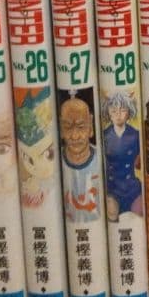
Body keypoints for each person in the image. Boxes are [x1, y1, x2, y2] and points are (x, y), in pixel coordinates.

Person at [60, 94, 101, 223]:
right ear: (61, 129)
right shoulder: (54, 163)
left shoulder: (101, 160)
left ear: (91, 127)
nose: (75, 136)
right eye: (68, 127)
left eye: (81, 127)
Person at [102, 90, 142, 221]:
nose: (118, 114)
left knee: (138, 215)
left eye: (123, 110)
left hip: (132, 186)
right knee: (112, 213)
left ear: (129, 112)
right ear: (108, 112)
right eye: (114, 111)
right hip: (112, 189)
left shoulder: (135, 134)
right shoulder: (104, 135)